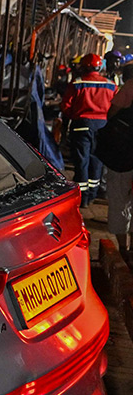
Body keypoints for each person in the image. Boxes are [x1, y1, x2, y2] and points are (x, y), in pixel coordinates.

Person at [61, 53, 117, 206]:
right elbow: (116, 107)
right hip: (103, 126)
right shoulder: (111, 85)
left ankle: (82, 197)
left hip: (82, 125)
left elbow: (66, 106)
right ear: (100, 67)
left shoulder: (77, 83)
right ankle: (92, 194)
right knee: (97, 160)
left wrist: (75, 116)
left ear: (84, 66)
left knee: (81, 161)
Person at [107, 59, 133, 250]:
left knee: (119, 199)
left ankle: (123, 249)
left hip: (124, 155)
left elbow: (111, 114)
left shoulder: (130, 87)